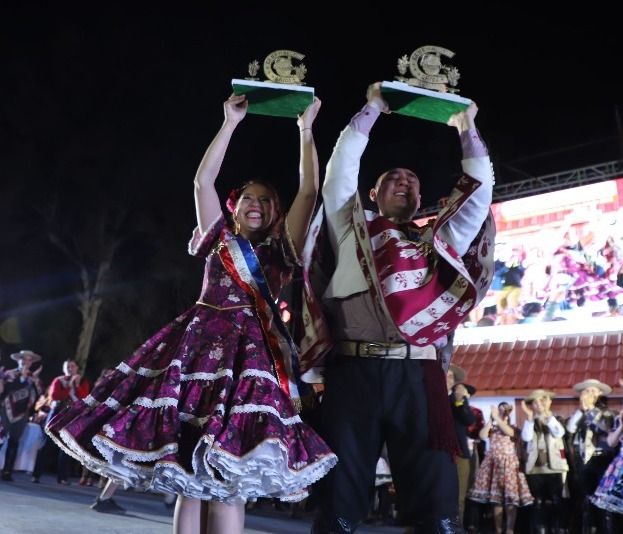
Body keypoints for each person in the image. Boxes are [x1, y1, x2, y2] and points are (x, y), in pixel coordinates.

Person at [45, 93, 337, 534]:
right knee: (190, 474)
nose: (256, 204)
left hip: (250, 360)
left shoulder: (281, 252)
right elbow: (203, 183)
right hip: (196, 349)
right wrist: (229, 123)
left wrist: (306, 129)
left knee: (230, 474)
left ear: (276, 213)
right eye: (247, 199)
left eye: (266, 200)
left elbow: (310, 189)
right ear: (234, 209)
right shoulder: (218, 238)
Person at [310, 82, 496, 533]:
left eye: (412, 181)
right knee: (339, 503)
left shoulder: (440, 243)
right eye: (392, 177)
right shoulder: (350, 226)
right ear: (372, 195)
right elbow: (340, 171)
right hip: (353, 374)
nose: (404, 181)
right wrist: (373, 106)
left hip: (420, 375)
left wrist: (466, 124)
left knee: (436, 504)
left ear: (420, 200)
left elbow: (479, 194)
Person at [467, 402, 534, 534]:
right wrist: (491, 420)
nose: (501, 412)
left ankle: (510, 530)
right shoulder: (493, 429)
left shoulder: (513, 428)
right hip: (494, 465)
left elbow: (509, 432)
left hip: (509, 465)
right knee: (496, 500)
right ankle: (498, 530)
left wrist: (498, 418)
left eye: (504, 410)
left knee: (510, 500)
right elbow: (482, 435)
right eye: (500, 410)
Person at [566, 378, 616, 534]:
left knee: (604, 503)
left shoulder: (608, 413)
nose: (589, 394)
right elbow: (570, 428)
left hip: (603, 461)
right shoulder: (581, 413)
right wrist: (582, 410)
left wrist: (591, 410)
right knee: (587, 502)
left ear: (600, 393)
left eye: (593, 391)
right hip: (584, 462)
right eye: (586, 391)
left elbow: (604, 429)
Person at [31, 359, 90, 484]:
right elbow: (55, 396)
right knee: (47, 444)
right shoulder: (58, 380)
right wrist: (69, 386)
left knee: (67, 446)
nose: (70, 368)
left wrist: (77, 386)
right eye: (67, 366)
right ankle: (36, 475)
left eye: (72, 366)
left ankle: (62, 477)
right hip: (57, 414)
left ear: (77, 368)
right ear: (64, 369)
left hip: (73, 416)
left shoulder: (83, 382)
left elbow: (84, 400)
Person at [520, 389, 569, 534]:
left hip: (556, 468)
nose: (539, 405)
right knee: (537, 502)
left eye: (542, 401)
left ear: (549, 402)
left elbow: (559, 432)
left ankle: (559, 529)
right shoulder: (530, 421)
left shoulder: (557, 419)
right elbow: (526, 438)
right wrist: (529, 418)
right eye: (535, 402)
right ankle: (540, 530)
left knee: (558, 501)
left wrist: (547, 414)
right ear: (531, 406)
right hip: (536, 469)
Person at [0, 350, 44, 481]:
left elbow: (40, 394)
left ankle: (7, 471)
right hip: (5, 410)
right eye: (23, 359)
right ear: (18, 360)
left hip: (22, 414)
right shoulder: (8, 374)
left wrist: (31, 380)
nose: (26, 362)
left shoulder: (34, 378)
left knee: (14, 441)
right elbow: (4, 390)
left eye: (29, 360)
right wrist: (23, 380)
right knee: (0, 440)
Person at [446, 363, 477, 528]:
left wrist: (460, 401)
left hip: (459, 454)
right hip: (434, 453)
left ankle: (456, 529)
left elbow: (469, 420)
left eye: (450, 377)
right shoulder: (428, 397)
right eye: (444, 375)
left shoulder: (457, 399)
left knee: (458, 497)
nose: (447, 379)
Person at [590, 379, 623, 530]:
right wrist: (621, 425)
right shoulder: (619, 419)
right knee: (615, 511)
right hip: (620, 466)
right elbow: (611, 442)